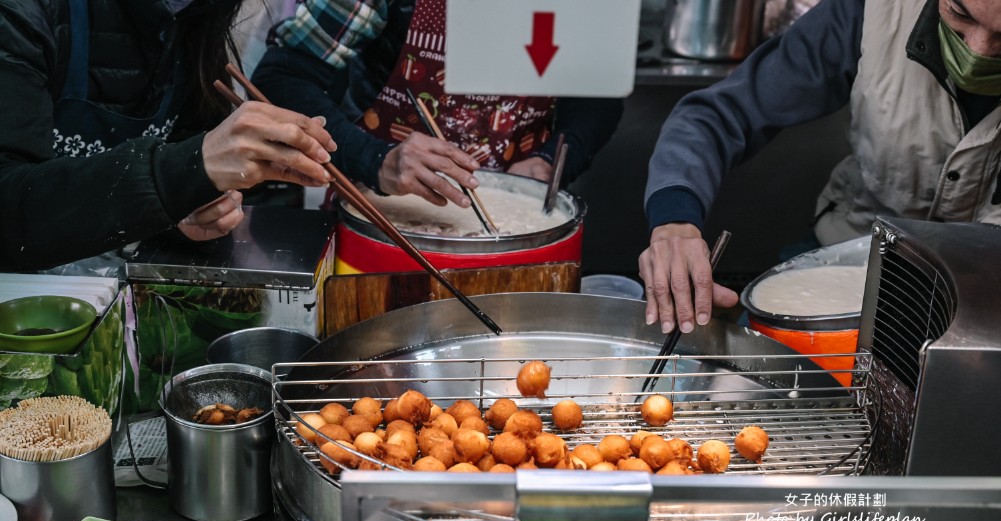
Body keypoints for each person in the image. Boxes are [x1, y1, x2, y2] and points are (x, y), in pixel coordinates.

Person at [639, 0, 1001, 336]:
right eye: (960, 13)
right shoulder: (875, 12)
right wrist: (674, 222)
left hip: (985, 300)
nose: (978, 49)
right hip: (843, 263)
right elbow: (717, 117)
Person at [0, 0, 338, 272]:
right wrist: (177, 173)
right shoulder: (25, 13)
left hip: (110, 292)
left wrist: (186, 210)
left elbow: (182, 152)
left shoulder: (193, 17)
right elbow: (9, 208)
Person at [251, 0, 623, 210]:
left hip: (519, 221)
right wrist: (376, 161)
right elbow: (282, 78)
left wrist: (552, 160)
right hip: (384, 215)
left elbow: (596, 94)